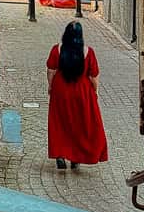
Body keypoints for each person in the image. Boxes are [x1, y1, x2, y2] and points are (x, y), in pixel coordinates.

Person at [46, 21, 108, 170]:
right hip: (82, 92)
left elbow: (51, 70)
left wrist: (50, 86)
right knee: (80, 123)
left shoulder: (57, 50)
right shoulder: (88, 52)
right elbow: (93, 76)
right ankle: (76, 157)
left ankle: (60, 154)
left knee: (60, 122)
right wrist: (95, 91)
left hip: (61, 90)